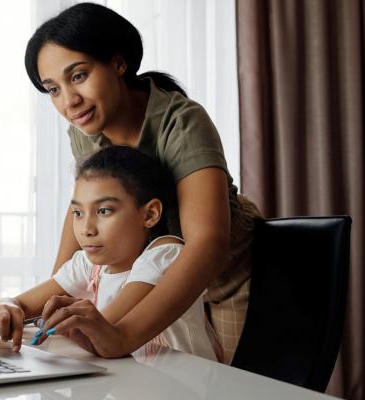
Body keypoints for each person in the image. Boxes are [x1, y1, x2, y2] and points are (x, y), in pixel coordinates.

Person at [19, 2, 262, 363]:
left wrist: (123, 336)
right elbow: (82, 210)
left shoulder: (181, 121)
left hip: (225, 274)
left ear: (119, 63)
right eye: (52, 89)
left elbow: (208, 243)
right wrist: (59, 297)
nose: (69, 101)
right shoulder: (84, 130)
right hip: (153, 272)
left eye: (79, 76)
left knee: (230, 384)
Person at [0, 146, 218, 361]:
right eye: (78, 213)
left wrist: (58, 319)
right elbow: (22, 303)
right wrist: (3, 307)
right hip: (129, 382)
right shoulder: (89, 265)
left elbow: (104, 332)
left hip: (184, 386)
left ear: (150, 214)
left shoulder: (165, 256)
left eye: (104, 211)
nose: (86, 229)